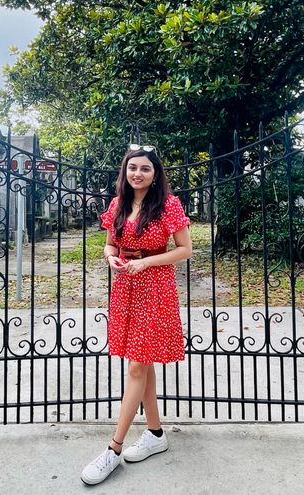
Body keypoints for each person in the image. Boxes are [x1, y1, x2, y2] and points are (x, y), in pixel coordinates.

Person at [81, 145, 192, 485]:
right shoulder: (118, 204)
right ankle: (156, 435)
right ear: (125, 172)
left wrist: (144, 261)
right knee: (141, 364)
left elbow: (185, 250)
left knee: (136, 366)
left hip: (154, 287)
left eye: (145, 168)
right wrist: (110, 257)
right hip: (125, 288)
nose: (138, 174)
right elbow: (110, 243)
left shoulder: (168, 205)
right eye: (133, 168)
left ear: (155, 173)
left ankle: (113, 449)